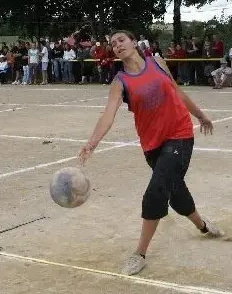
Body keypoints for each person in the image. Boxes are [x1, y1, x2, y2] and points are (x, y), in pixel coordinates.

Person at [78, 30, 224, 276]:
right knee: (175, 192)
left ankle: (140, 254)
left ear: (134, 42)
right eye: (112, 44)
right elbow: (108, 115)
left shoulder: (157, 62)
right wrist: (91, 143)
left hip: (180, 134)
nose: (116, 45)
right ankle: (203, 226)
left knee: (156, 191)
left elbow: (177, 91)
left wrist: (200, 115)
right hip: (152, 144)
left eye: (121, 40)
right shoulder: (120, 82)